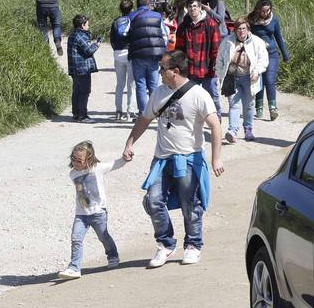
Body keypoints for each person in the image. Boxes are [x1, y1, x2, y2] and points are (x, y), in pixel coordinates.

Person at [123, 50, 225, 267]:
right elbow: (144, 119)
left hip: (189, 158)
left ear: (175, 72)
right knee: (152, 200)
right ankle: (166, 244)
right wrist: (130, 143)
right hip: (162, 159)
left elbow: (215, 125)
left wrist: (216, 159)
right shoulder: (159, 92)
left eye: (162, 68)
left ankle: (193, 245)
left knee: (191, 204)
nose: (159, 71)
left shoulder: (198, 94)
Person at [56, 141, 126, 280]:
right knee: (76, 239)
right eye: (73, 159)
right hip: (81, 214)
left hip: (98, 212)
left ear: (89, 159)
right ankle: (74, 268)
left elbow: (115, 164)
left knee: (103, 237)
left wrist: (125, 158)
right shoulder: (73, 174)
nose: (76, 162)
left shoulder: (97, 168)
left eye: (79, 160)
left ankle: (113, 256)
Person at [215, 19, 268, 143]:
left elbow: (263, 60)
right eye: (238, 29)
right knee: (234, 104)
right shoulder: (227, 42)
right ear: (235, 30)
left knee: (248, 105)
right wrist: (220, 73)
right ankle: (232, 131)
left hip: (250, 78)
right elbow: (220, 59)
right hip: (232, 78)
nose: (241, 31)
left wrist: (257, 71)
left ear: (248, 29)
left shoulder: (257, 42)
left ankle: (248, 129)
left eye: (244, 28)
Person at [173, 0, 222, 115]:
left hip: (208, 69)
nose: (192, 9)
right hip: (190, 70)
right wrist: (180, 67)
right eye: (190, 6)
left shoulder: (210, 24)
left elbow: (216, 48)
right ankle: (193, 125)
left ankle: (217, 123)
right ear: (187, 9)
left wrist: (215, 65)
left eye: (195, 6)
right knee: (189, 99)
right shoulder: (183, 27)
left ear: (200, 8)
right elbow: (179, 50)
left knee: (212, 98)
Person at [248, 0, 289, 121]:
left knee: (269, 79)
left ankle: (273, 108)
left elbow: (278, 38)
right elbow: (246, 35)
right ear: (258, 10)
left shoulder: (274, 21)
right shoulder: (252, 20)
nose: (265, 13)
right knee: (258, 80)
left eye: (268, 11)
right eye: (263, 11)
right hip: (257, 55)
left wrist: (285, 54)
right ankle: (259, 108)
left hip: (272, 54)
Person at [127, 0, 167, 115]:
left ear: (137, 5)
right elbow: (164, 36)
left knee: (140, 84)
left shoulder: (131, 16)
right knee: (153, 84)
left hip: (138, 54)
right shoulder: (158, 16)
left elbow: (125, 33)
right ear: (149, 4)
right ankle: (155, 111)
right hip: (154, 55)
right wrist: (162, 51)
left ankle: (143, 113)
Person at [67, 15, 100, 123]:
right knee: (84, 91)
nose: (88, 26)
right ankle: (82, 115)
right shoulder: (80, 36)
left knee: (76, 91)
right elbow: (89, 50)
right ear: (82, 25)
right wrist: (97, 44)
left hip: (75, 69)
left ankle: (76, 113)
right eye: (87, 24)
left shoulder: (73, 35)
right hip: (82, 69)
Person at [109, 0, 135, 121]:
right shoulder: (133, 20)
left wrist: (116, 50)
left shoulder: (115, 21)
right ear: (132, 9)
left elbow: (112, 39)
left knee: (120, 84)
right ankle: (130, 110)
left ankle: (118, 111)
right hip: (130, 53)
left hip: (118, 53)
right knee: (131, 84)